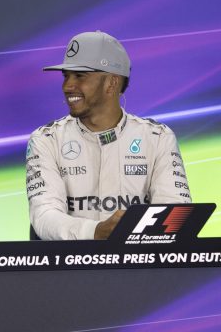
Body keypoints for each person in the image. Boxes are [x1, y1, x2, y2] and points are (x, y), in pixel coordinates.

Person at [26, 31, 191, 240]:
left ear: (112, 83)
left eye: (80, 76)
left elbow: (175, 216)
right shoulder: (46, 140)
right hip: (69, 269)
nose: (67, 86)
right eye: (66, 76)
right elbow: (44, 217)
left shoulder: (158, 138)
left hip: (139, 267)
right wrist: (96, 232)